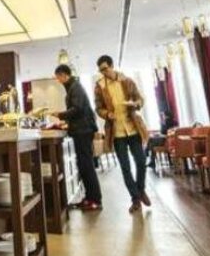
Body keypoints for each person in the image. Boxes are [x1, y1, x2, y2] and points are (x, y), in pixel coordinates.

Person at [94, 55, 149, 213]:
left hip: (133, 128)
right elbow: (98, 108)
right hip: (116, 133)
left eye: (105, 69)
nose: (103, 72)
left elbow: (140, 99)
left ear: (112, 66)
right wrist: (107, 114)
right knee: (125, 167)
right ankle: (135, 199)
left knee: (141, 161)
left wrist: (135, 104)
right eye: (100, 70)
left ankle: (140, 189)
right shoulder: (99, 87)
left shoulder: (127, 81)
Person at [53, 64, 102, 211]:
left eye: (58, 77)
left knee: (87, 165)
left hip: (83, 130)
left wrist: (60, 114)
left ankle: (95, 199)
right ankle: (89, 198)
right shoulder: (73, 87)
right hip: (81, 129)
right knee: (83, 165)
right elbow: (77, 110)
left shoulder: (75, 87)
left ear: (64, 75)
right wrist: (67, 121)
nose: (58, 80)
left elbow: (78, 109)